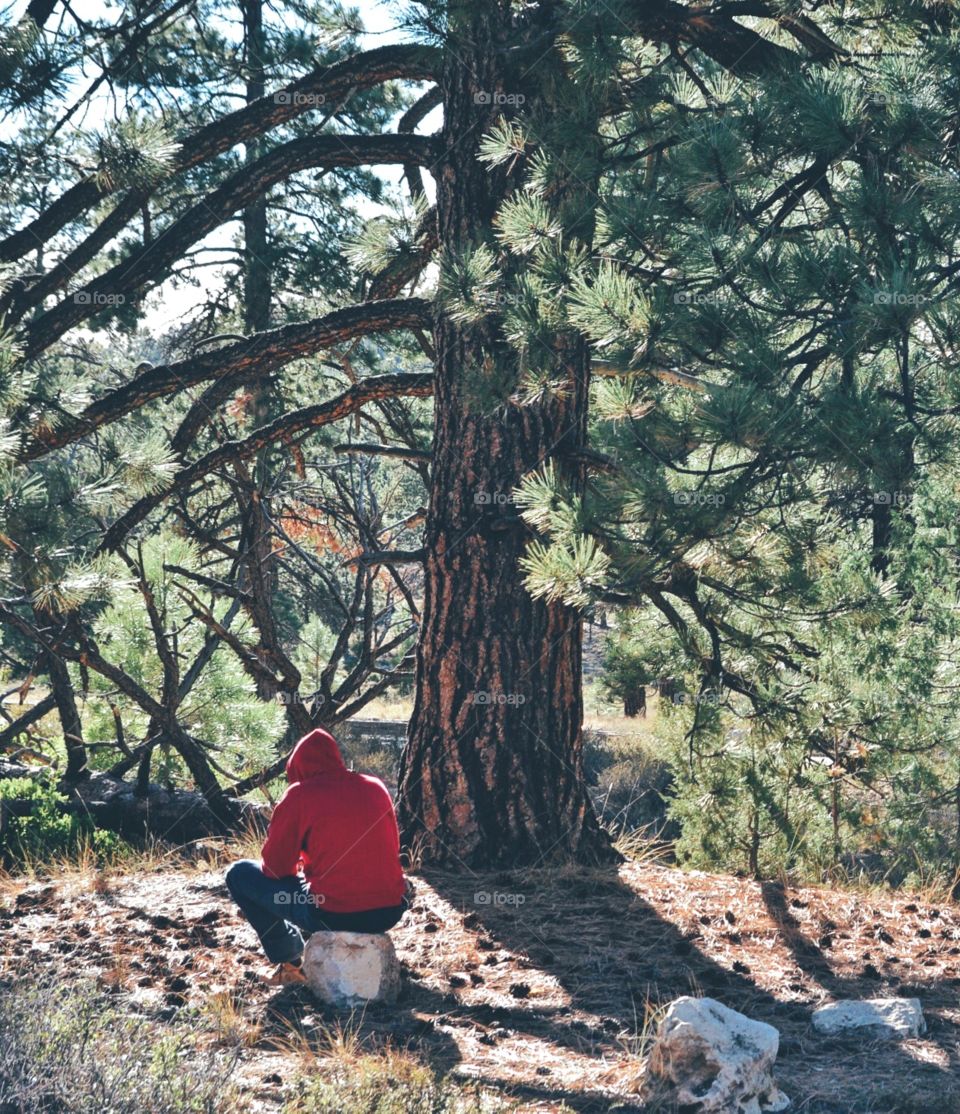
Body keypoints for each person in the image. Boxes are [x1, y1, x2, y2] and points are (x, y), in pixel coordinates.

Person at [225, 727, 410, 985]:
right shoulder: (375, 787)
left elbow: (275, 870)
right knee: (319, 884)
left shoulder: (300, 794)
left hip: (333, 914)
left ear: (296, 769)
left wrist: (301, 861)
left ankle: (290, 962)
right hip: (389, 912)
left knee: (239, 874)